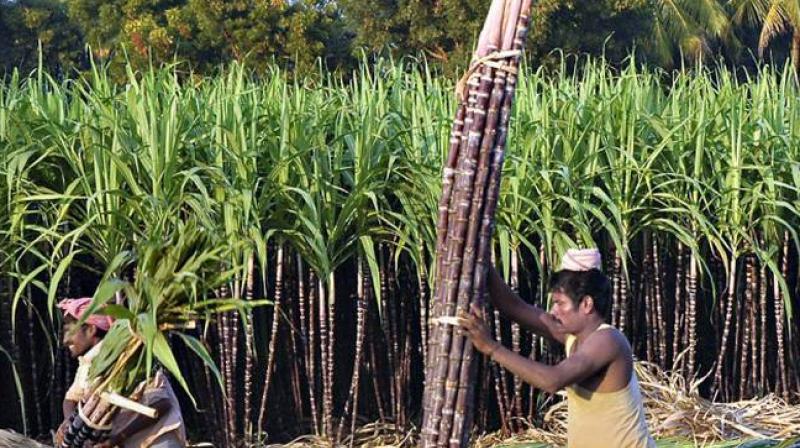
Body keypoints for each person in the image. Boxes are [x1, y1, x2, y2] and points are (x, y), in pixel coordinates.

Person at [458, 248, 655, 448]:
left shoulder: (608, 340)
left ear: (587, 304)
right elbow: (514, 308)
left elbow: (552, 380)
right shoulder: (573, 336)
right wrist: (482, 258)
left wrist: (492, 348)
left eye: (561, 303)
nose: (554, 311)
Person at [57, 297, 186, 448]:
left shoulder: (127, 357)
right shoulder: (88, 363)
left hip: (157, 440)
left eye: (69, 331)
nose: (65, 340)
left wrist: (118, 438)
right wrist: (69, 423)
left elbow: (163, 404)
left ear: (91, 329)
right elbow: (71, 398)